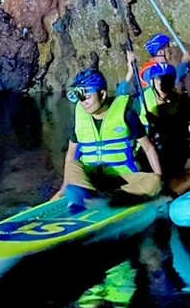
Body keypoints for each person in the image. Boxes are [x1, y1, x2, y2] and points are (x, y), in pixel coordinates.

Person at [52, 68, 163, 212]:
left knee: (153, 180)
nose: (83, 102)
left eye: (87, 96)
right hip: (91, 179)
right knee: (73, 165)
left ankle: (111, 198)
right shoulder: (79, 118)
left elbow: (148, 148)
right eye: (80, 97)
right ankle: (84, 195)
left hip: (122, 178)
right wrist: (63, 189)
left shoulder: (126, 115)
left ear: (102, 94)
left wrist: (160, 180)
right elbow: (71, 155)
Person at [131, 61, 190, 196]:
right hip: (148, 151)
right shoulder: (140, 101)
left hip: (172, 150)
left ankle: (174, 179)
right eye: (157, 78)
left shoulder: (180, 101)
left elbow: (183, 131)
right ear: (152, 80)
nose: (161, 82)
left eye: (166, 79)